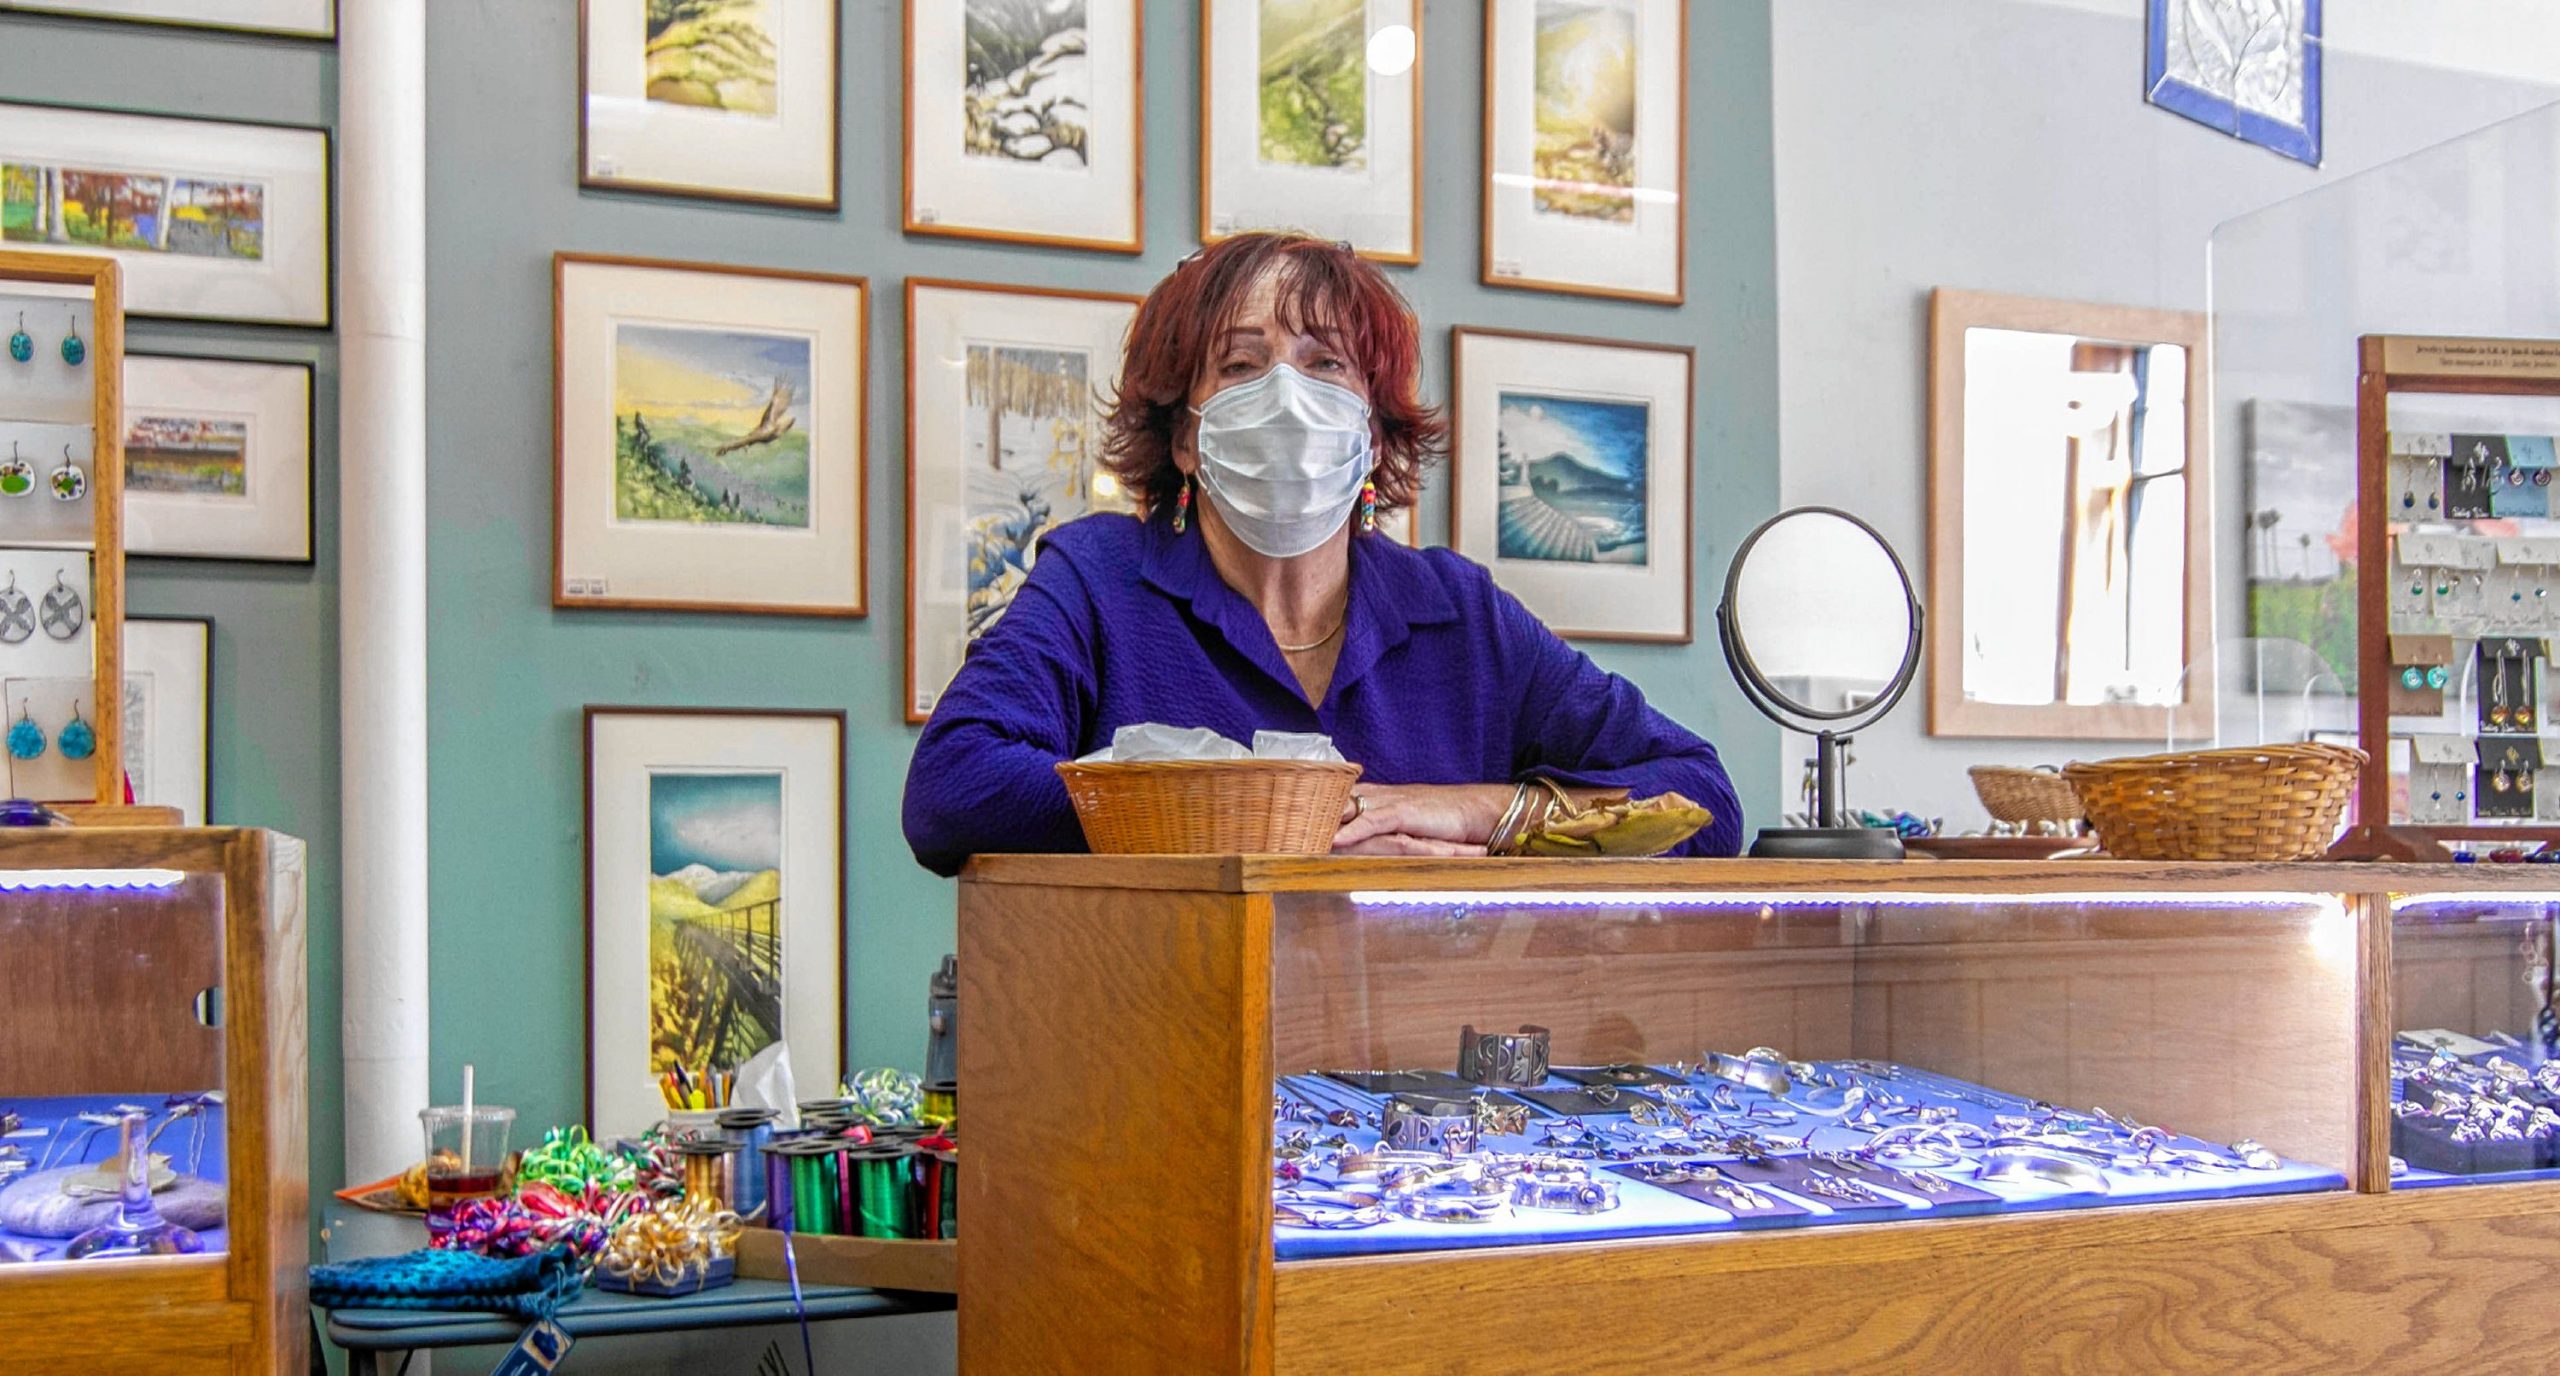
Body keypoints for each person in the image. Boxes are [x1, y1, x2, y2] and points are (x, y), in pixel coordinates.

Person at [902, 233, 1741, 876]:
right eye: (1240, 363)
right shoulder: (1099, 580)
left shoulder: (1461, 612)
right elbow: (953, 789)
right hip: (1169, 1055)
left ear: (1373, 435)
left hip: (1419, 1072)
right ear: (1185, 440)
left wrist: (1478, 813)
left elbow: (1703, 799)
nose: (1287, 395)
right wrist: (1289, 821)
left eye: (1325, 363)